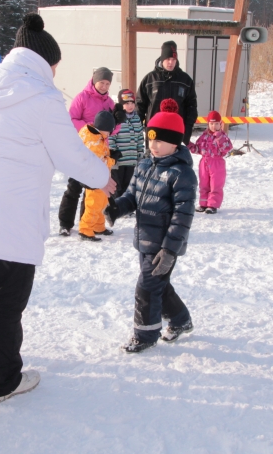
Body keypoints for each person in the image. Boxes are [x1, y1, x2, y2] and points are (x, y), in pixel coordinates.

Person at [0, 14, 115, 403]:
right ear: (45, 62)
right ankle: (1, 382)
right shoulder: (43, 98)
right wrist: (104, 178)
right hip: (5, 218)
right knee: (1, 303)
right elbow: (70, 155)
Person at [104, 99, 197, 353]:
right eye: (150, 139)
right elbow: (132, 197)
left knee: (146, 287)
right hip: (144, 239)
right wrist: (116, 208)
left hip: (164, 246)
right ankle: (180, 320)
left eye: (159, 141)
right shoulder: (144, 165)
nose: (152, 145)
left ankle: (145, 335)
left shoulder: (182, 174)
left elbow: (183, 216)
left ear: (175, 142)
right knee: (159, 285)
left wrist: (169, 250)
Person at [58, 67, 116, 236]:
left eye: (107, 83)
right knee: (74, 187)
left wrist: (116, 122)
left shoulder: (109, 103)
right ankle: (65, 223)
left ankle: (88, 224)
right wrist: (91, 131)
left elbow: (113, 128)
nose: (104, 86)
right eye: (101, 82)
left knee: (94, 189)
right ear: (94, 80)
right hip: (81, 148)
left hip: (99, 151)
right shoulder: (82, 97)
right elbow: (72, 118)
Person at [136, 40, 198, 146]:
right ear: (162, 59)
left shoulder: (185, 80)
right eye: (168, 59)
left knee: (175, 161)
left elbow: (191, 108)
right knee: (154, 161)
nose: (171, 62)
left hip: (176, 132)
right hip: (154, 132)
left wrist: (186, 133)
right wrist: (136, 131)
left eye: (173, 59)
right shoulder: (150, 79)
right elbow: (139, 106)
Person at [77, 110, 117, 241]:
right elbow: (100, 161)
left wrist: (109, 153)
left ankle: (98, 226)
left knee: (102, 202)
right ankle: (85, 228)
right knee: (93, 205)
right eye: (109, 131)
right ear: (103, 128)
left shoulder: (95, 136)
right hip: (95, 179)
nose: (109, 134)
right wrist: (112, 159)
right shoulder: (94, 142)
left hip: (100, 178)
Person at [187, 110, 233, 214]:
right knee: (204, 183)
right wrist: (188, 144)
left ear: (220, 124)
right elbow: (197, 148)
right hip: (204, 162)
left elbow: (227, 148)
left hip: (217, 163)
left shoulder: (222, 136)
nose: (213, 126)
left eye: (216, 123)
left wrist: (219, 137)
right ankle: (203, 203)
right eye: (211, 123)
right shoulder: (204, 136)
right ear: (208, 124)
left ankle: (212, 205)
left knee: (215, 184)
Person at [109, 89, 144, 198]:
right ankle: (114, 205)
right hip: (119, 160)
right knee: (116, 184)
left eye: (132, 103)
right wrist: (113, 153)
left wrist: (140, 153)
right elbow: (111, 137)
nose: (130, 106)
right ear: (121, 104)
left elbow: (139, 138)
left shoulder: (136, 118)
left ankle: (124, 205)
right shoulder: (116, 118)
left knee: (128, 184)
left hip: (131, 160)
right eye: (126, 103)